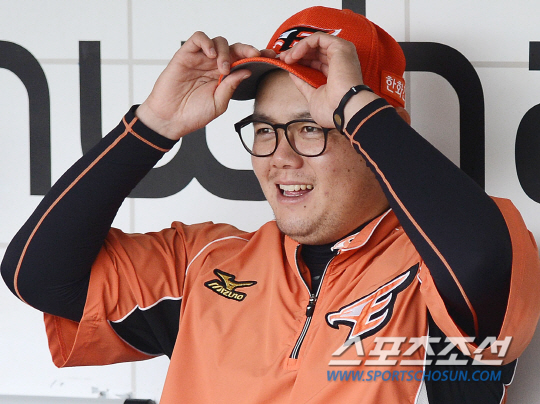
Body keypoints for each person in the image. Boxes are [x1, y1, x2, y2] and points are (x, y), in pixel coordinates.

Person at [1, 6, 539, 404]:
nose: (280, 157)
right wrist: (152, 127)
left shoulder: (441, 267)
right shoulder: (205, 260)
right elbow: (38, 277)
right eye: (265, 129)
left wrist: (356, 108)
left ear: (374, 130)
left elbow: (483, 266)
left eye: (311, 127)